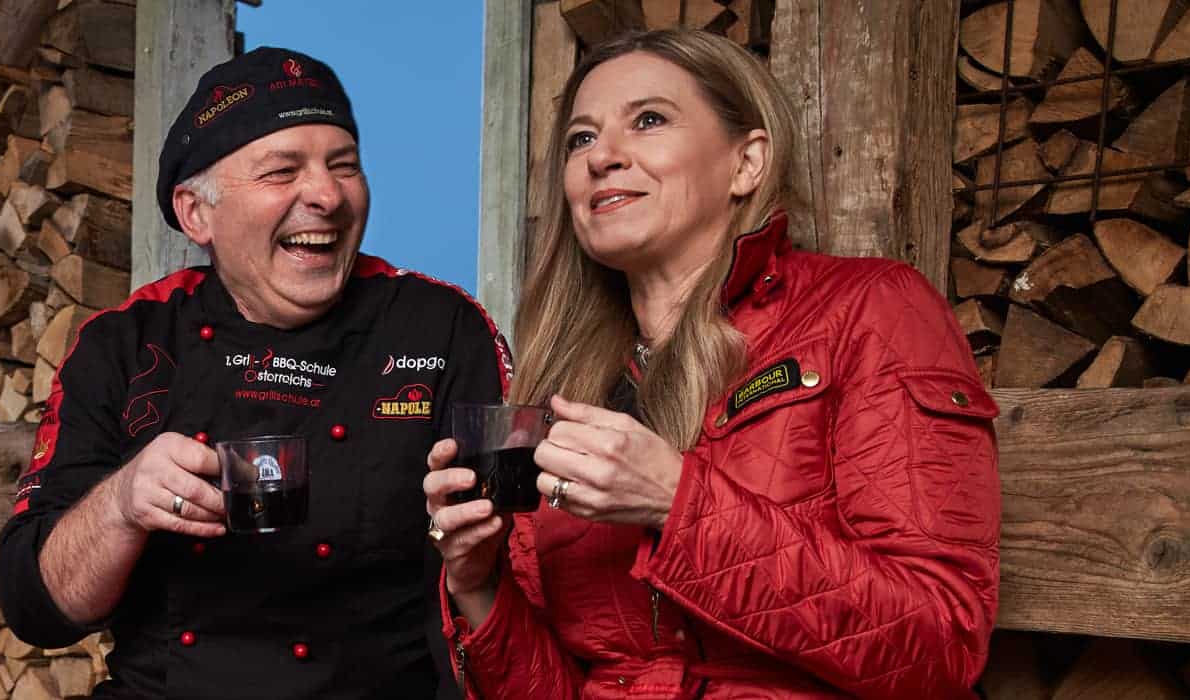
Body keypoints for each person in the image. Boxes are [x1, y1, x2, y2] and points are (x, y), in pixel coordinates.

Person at [422, 30, 1001, 699]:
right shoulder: (564, 385)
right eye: (581, 139)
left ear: (747, 163)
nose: (602, 157)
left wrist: (677, 503)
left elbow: (940, 646)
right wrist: (478, 585)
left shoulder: (869, 311)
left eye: (648, 120)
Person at [0, 46, 511, 699]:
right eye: (281, 171)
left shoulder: (441, 328)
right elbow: (36, 610)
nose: (327, 194)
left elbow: (514, 568)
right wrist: (123, 504)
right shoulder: (124, 342)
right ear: (196, 213)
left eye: (344, 166)